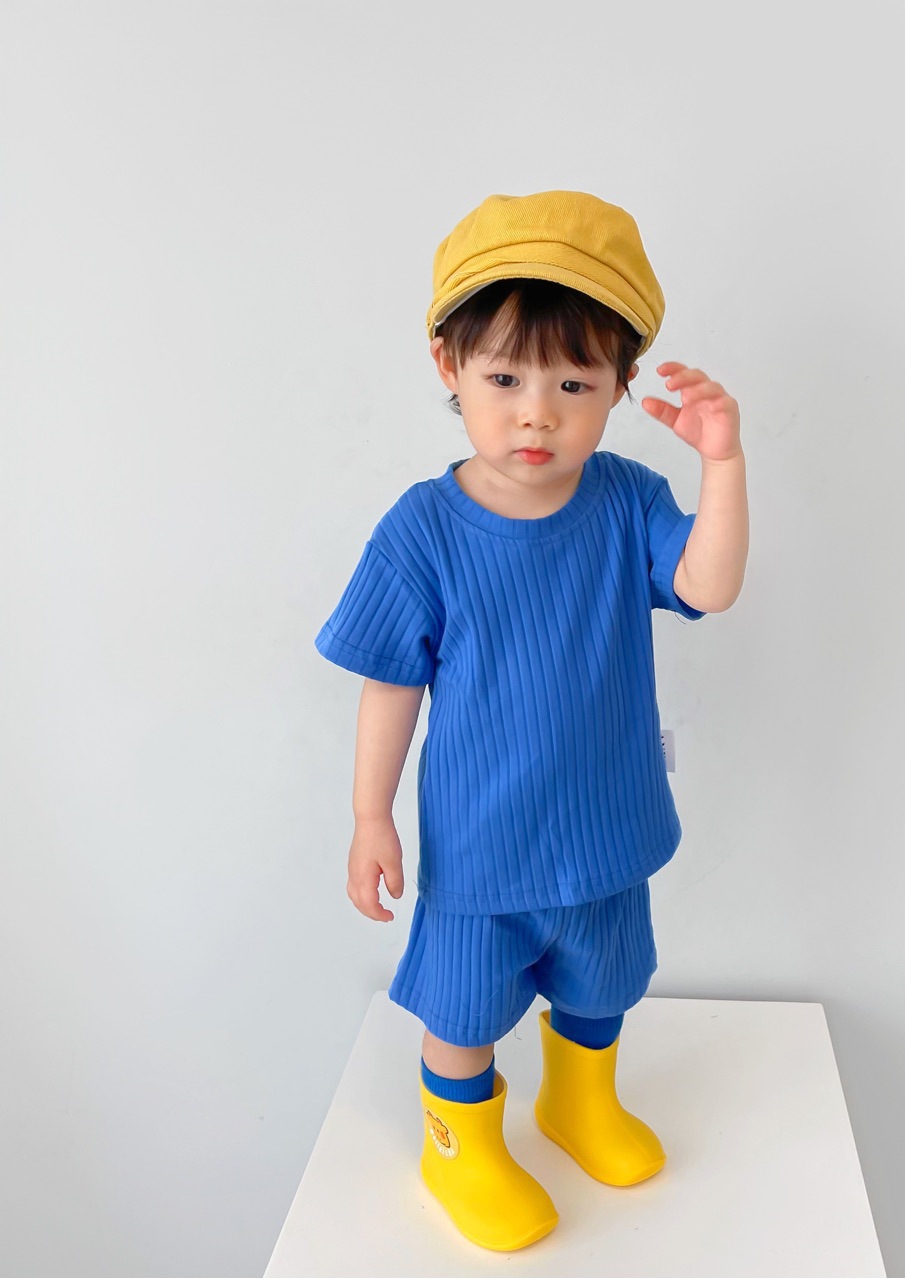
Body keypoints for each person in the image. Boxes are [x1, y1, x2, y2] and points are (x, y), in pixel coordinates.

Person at [314, 190, 749, 1252]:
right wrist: (370, 815)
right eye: (504, 379)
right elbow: (389, 684)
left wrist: (722, 464)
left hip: (605, 830)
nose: (536, 415)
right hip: (481, 847)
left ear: (620, 387)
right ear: (447, 365)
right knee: (461, 1011)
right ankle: (458, 1147)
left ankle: (578, 1100)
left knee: (604, 982)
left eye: (573, 384)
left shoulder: (626, 501)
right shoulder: (423, 531)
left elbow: (708, 585)